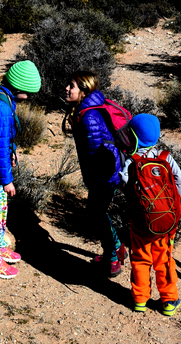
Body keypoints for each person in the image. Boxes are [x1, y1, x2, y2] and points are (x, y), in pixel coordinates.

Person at [0, 59, 41, 278]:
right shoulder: (1, 106)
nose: (30, 97)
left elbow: (3, 141)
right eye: (29, 92)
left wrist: (13, 152)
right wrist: (7, 180)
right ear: (19, 87)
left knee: (0, 210)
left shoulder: (6, 100)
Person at [121, 113, 181, 317]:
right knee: (164, 259)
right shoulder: (166, 158)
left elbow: (123, 183)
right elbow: (180, 181)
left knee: (140, 259)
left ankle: (140, 299)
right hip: (166, 222)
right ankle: (168, 300)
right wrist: (169, 202)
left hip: (140, 221)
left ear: (134, 137)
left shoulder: (132, 161)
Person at [63, 70, 126, 276]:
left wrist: (94, 180)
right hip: (106, 172)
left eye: (72, 86)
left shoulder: (89, 117)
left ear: (83, 90)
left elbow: (94, 153)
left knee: (96, 213)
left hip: (104, 174)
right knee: (98, 212)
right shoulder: (86, 109)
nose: (67, 88)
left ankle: (112, 258)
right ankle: (116, 247)